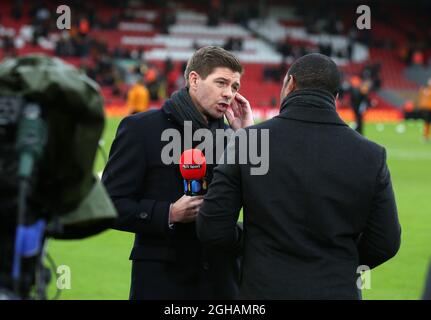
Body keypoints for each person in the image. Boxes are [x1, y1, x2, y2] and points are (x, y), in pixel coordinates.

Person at [197, 53, 401, 299]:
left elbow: (212, 229)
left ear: (290, 84)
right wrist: (339, 262)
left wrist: (255, 245)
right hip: (337, 289)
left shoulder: (249, 142)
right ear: (335, 97)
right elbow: (386, 242)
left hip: (265, 289)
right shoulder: (371, 155)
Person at [102, 46, 254, 299]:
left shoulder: (234, 139)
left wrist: (247, 137)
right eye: (221, 83)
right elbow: (109, 205)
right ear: (194, 80)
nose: (229, 93)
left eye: (235, 87)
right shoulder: (141, 129)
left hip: (222, 284)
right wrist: (169, 213)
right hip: (163, 284)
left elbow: (260, 204)